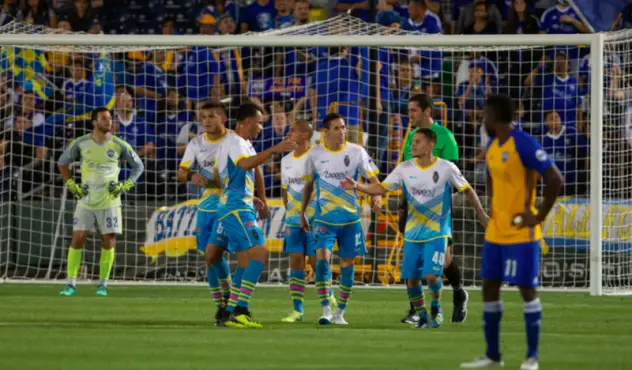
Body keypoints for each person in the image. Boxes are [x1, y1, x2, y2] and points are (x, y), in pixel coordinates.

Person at [341, 128, 488, 328]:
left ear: (430, 145)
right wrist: (357, 185)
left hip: (437, 231)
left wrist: (481, 214)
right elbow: (381, 188)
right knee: (411, 279)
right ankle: (422, 315)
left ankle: (436, 309)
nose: (413, 145)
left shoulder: (446, 168)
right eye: (413, 142)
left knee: (431, 274)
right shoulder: (404, 168)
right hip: (412, 233)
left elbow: (468, 190)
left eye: (417, 141)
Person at [460, 94, 563, 370]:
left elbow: (555, 178)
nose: (483, 119)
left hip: (521, 232)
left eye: (485, 115)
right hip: (496, 232)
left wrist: (538, 216)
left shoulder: (524, 143)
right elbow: (492, 177)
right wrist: (495, 209)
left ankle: (532, 358)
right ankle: (493, 356)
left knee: (526, 289)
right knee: (489, 286)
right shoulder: (493, 146)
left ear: (495, 115)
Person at [215, 103, 296, 328]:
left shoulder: (242, 143)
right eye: (259, 122)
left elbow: (237, 173)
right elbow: (245, 165)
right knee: (260, 252)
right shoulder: (235, 142)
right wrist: (276, 148)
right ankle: (240, 309)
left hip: (239, 204)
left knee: (247, 260)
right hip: (235, 207)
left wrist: (255, 196)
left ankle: (228, 312)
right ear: (247, 122)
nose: (262, 127)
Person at [300, 113, 381, 325]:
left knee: (347, 263)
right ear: (326, 131)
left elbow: (375, 180)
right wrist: (302, 212)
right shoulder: (315, 154)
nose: (343, 131)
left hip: (350, 220)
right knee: (322, 260)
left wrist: (378, 197)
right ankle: (326, 308)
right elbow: (308, 185)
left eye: (344, 127)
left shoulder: (357, 152)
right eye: (337, 128)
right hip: (324, 219)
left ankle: (340, 313)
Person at [58, 107, 144, 296]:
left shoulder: (119, 144)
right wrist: (72, 184)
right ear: (94, 122)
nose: (109, 121)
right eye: (104, 119)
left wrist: (127, 184)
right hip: (86, 199)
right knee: (78, 238)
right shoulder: (81, 143)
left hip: (110, 200)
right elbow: (62, 162)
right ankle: (71, 284)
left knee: (108, 240)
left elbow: (138, 165)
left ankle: (102, 284)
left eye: (110, 118)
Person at [400, 93, 468, 324]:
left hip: (437, 211)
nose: (409, 114)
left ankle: (459, 293)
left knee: (445, 261)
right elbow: (408, 172)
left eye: (413, 110)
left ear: (427, 111)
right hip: (412, 208)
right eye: (409, 110)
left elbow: (454, 174)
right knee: (415, 259)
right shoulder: (411, 137)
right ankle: (415, 309)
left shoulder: (445, 137)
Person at [177, 102, 232, 326]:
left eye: (211, 116)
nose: (206, 121)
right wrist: (190, 176)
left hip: (230, 204)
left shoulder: (234, 141)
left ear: (223, 119)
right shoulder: (196, 143)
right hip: (206, 207)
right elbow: (181, 171)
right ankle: (221, 306)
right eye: (203, 117)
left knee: (215, 254)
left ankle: (230, 299)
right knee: (209, 258)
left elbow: (250, 168)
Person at [280, 119, 335, 322]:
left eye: (292, 131)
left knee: (317, 262)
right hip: (293, 221)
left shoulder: (318, 157)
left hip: (315, 221)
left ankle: (328, 297)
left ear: (304, 135)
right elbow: (285, 190)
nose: (289, 134)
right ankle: (297, 311)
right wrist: (291, 213)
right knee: (295, 262)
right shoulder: (285, 160)